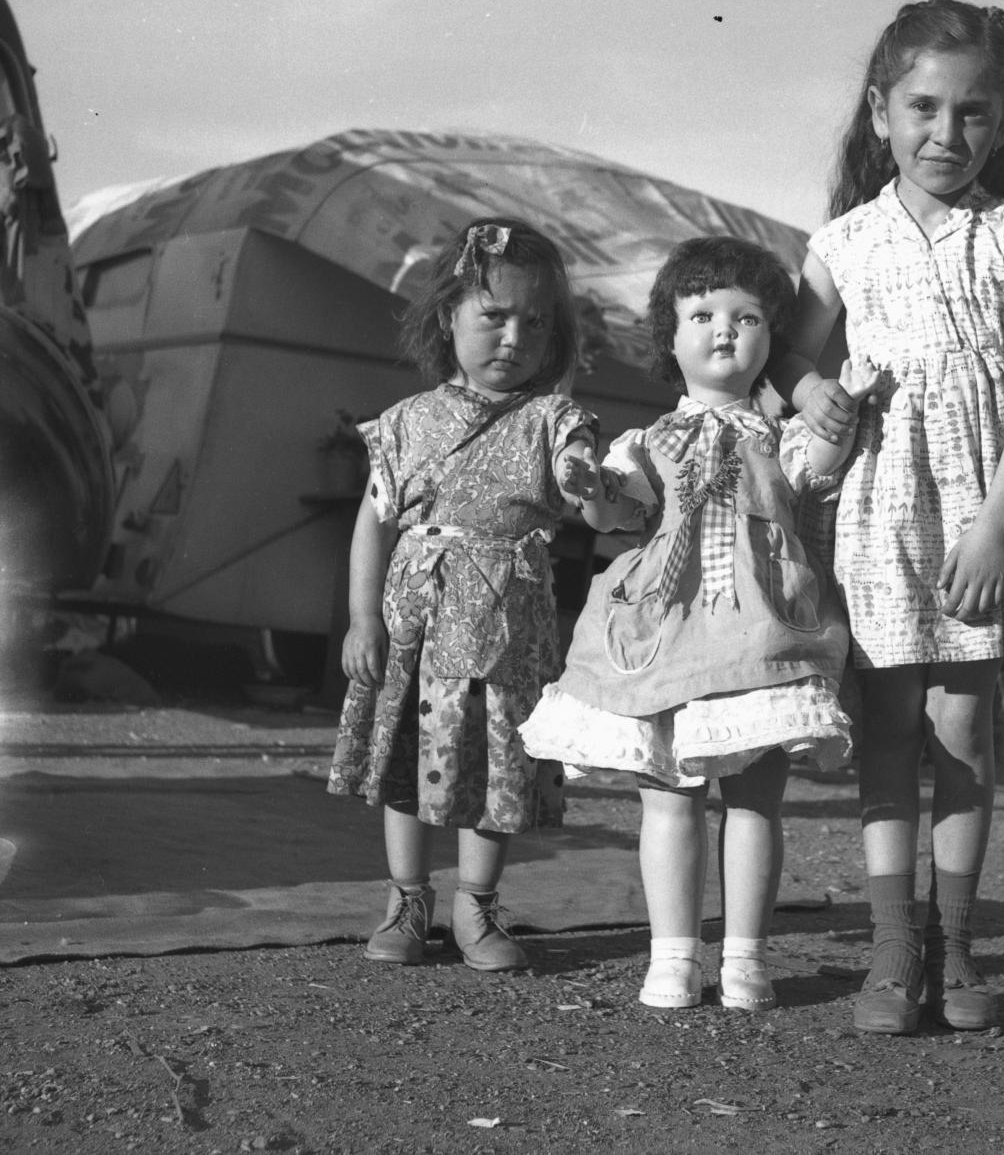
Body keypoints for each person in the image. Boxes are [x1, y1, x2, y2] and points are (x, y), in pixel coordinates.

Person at [775, 0, 1004, 1035]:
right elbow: (791, 352)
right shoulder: (839, 243)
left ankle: (955, 945)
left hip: (982, 509)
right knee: (886, 728)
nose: (946, 134)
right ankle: (890, 953)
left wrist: (992, 525)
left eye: (974, 113)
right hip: (880, 512)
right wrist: (806, 390)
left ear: (1001, 125)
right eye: (923, 107)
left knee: (963, 725)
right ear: (880, 112)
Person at [520, 237, 875, 1013]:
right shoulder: (648, 441)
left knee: (756, 799)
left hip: (761, 637)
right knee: (670, 796)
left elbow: (818, 471)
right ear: (670, 337)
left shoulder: (776, 437)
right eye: (703, 314)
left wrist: (838, 415)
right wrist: (589, 489)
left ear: (770, 341)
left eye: (747, 318)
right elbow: (618, 510)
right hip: (667, 641)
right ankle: (674, 954)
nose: (725, 330)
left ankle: (745, 957)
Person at [327, 218, 597, 972]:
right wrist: (360, 620)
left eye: (535, 322)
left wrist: (582, 475)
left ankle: (478, 905)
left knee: (494, 765)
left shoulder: (554, 420)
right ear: (448, 316)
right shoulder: (407, 423)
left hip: (505, 634)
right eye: (495, 316)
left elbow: (585, 480)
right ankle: (407, 900)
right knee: (408, 762)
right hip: (415, 627)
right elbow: (373, 523)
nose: (514, 336)